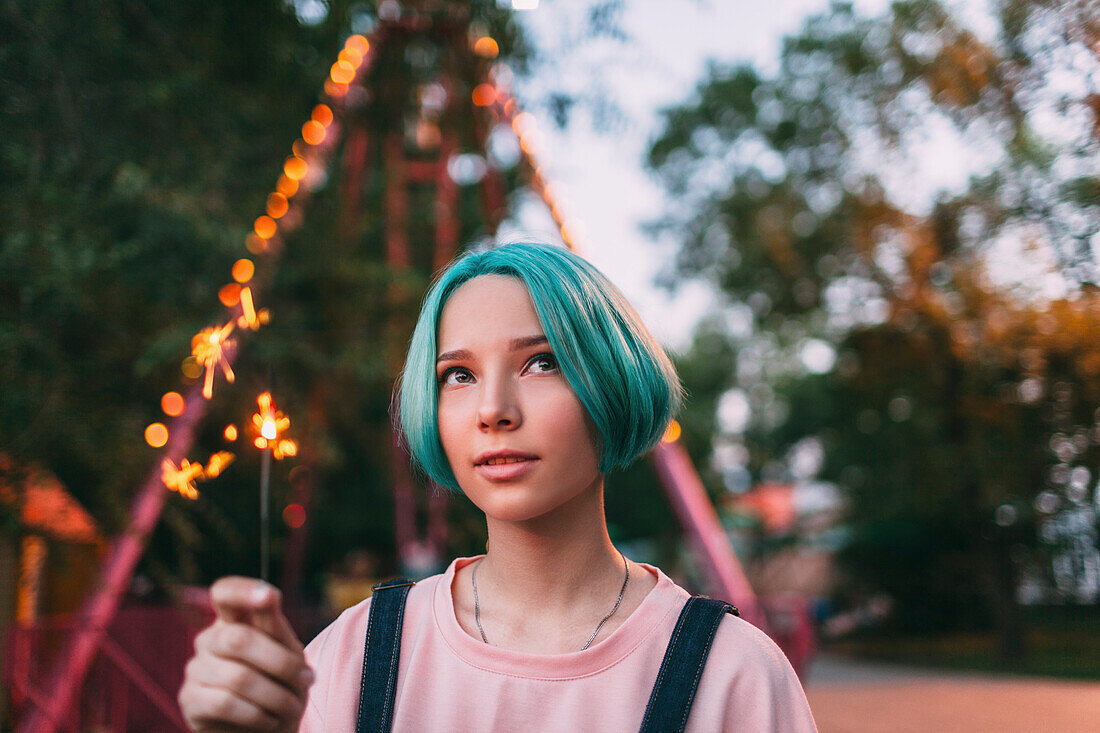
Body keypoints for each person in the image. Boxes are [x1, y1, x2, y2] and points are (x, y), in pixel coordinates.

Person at [178, 243, 818, 732]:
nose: (492, 409)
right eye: (457, 375)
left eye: (542, 362)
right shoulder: (356, 653)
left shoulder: (733, 675)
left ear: (612, 384)